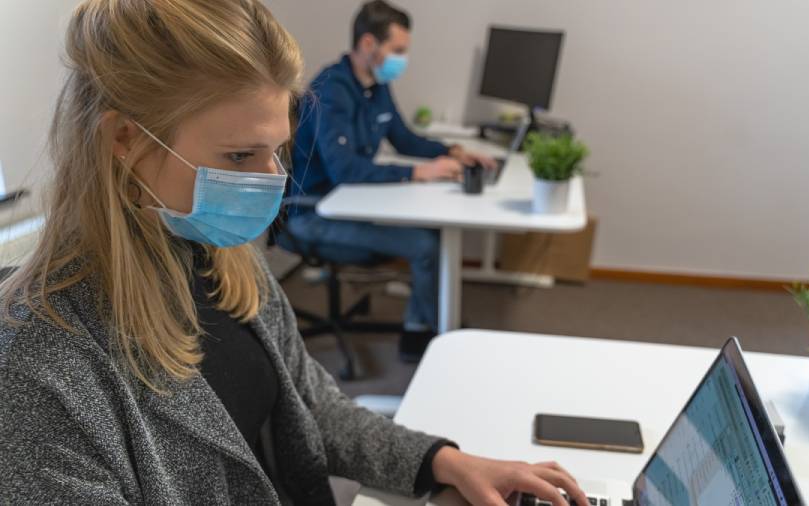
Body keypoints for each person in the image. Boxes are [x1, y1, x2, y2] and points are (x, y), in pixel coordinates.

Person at [0, 1, 588, 505]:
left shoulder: (222, 256)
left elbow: (311, 408)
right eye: (239, 157)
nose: (272, 181)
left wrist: (442, 461)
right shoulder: (38, 366)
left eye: (278, 151)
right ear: (124, 140)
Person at [282, 0, 497, 362]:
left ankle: (434, 321)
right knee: (425, 245)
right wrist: (418, 172)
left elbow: (405, 139)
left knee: (433, 234)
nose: (402, 59)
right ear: (369, 45)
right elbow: (345, 170)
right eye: (397, 50)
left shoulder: (374, 83)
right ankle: (418, 336)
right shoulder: (332, 91)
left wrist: (453, 151)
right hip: (313, 214)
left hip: (351, 204)